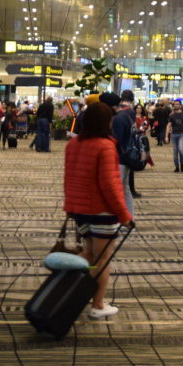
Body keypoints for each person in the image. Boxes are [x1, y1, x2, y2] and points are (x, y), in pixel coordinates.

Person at [64, 101, 134, 320]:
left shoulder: (73, 144)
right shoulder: (105, 146)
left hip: (79, 209)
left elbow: (70, 178)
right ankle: (98, 304)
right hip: (101, 211)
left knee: (91, 254)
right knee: (101, 259)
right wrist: (124, 215)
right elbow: (110, 186)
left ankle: (65, 281)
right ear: (106, 122)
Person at [112, 90, 142, 211]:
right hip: (129, 153)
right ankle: (129, 219)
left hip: (121, 156)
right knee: (125, 189)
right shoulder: (131, 112)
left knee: (119, 190)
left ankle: (124, 220)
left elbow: (117, 139)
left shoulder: (119, 117)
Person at [167, 101, 183, 173]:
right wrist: (166, 135)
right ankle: (177, 166)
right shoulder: (171, 115)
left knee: (180, 149)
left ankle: (182, 163)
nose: (175, 105)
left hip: (182, 134)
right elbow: (168, 125)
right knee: (175, 151)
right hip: (174, 134)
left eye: (177, 104)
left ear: (180, 106)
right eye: (175, 104)